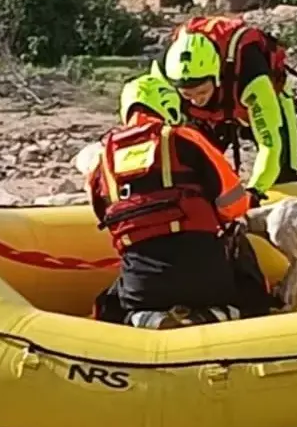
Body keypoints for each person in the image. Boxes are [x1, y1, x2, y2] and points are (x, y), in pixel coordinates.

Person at [87, 72, 274, 329]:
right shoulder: (184, 138)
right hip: (206, 276)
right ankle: (231, 312)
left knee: (111, 305)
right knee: (240, 247)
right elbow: (233, 203)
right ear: (168, 104)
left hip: (142, 285)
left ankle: (142, 318)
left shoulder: (102, 160)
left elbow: (103, 216)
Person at [156, 16, 297, 205]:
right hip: (209, 115)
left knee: (283, 172)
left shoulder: (251, 73)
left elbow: (270, 145)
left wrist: (254, 191)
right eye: (187, 94)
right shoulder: (163, 72)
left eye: (202, 92)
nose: (196, 100)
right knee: (193, 168)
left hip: (261, 101)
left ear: (216, 76)